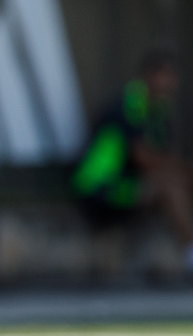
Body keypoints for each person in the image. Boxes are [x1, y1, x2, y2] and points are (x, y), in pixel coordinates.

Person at [73, 52, 193, 270]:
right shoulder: (128, 106)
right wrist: (184, 170)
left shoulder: (160, 111)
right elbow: (143, 158)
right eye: (165, 75)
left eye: (173, 76)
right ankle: (190, 253)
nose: (171, 83)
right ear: (149, 75)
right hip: (100, 190)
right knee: (169, 187)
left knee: (177, 182)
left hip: (127, 187)